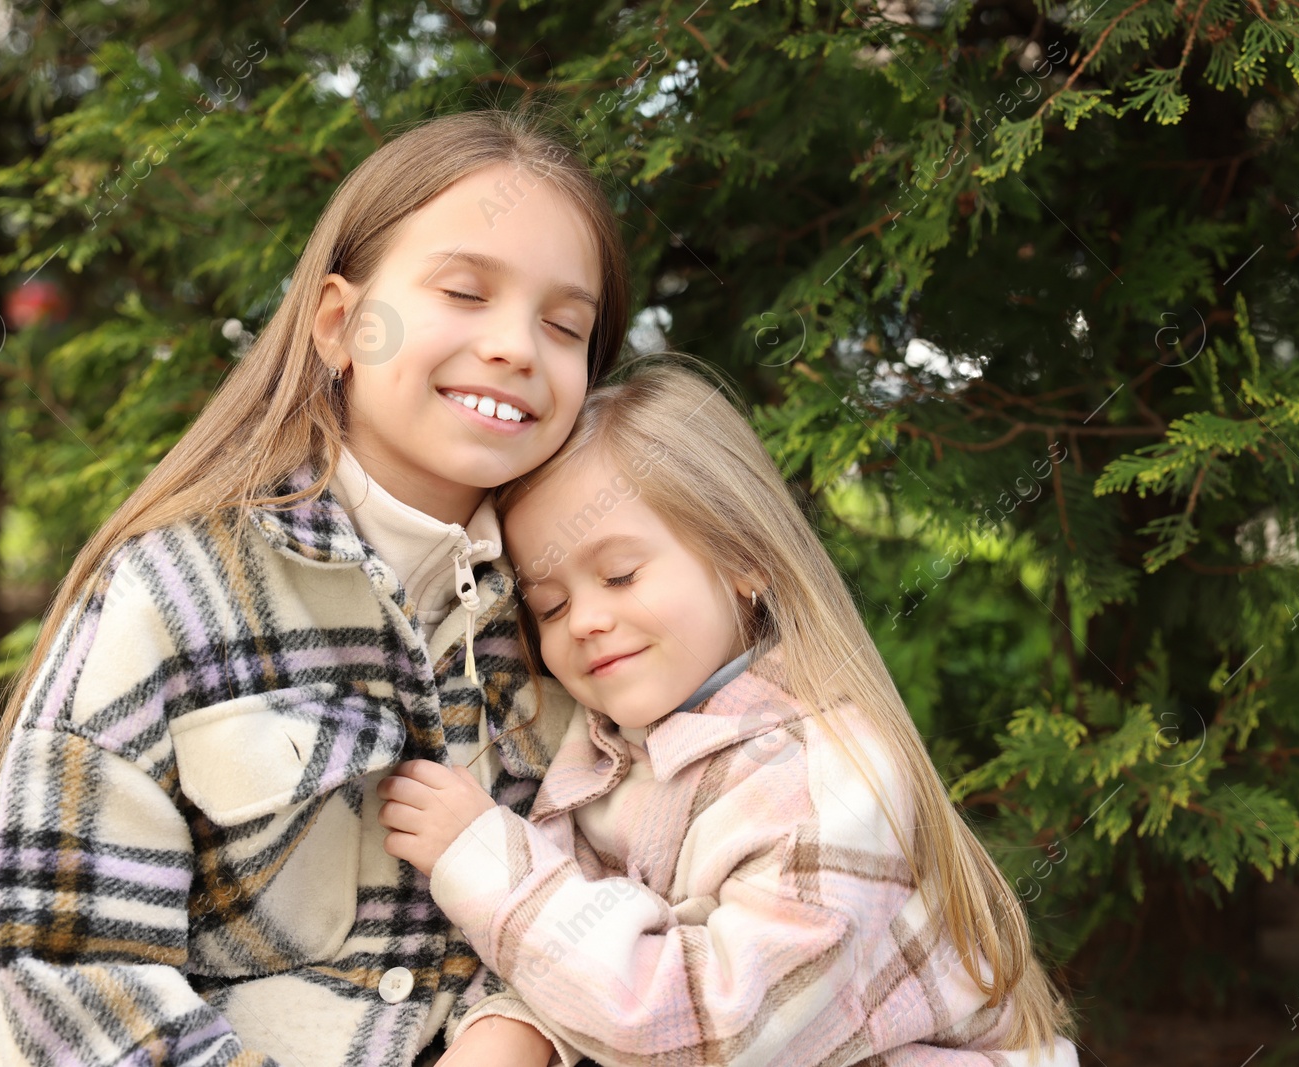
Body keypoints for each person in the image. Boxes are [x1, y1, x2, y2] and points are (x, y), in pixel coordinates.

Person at [0, 108, 633, 1067]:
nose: (516, 346)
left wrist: (517, 1030)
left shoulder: (571, 620)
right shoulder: (178, 588)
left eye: (564, 324)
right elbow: (72, 960)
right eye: (464, 291)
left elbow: (618, 882)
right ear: (339, 323)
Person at [377, 357, 1080, 1067]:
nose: (584, 619)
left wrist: (490, 867)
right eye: (549, 605)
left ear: (744, 558)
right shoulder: (601, 753)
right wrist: (508, 1030)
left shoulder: (823, 777)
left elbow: (721, 1036)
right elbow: (579, 964)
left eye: (620, 574)